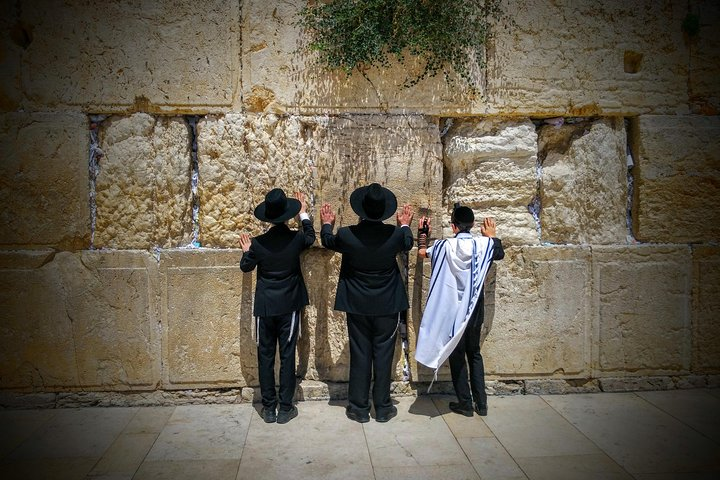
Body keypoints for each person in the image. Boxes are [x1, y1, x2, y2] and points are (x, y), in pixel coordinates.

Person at [320, 183, 414, 423]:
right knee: (383, 355)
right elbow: (408, 242)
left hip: (358, 304)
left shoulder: (347, 235)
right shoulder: (394, 235)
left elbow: (328, 241)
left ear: (361, 211)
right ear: (384, 212)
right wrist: (404, 223)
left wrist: (327, 223)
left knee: (360, 353)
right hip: (387, 305)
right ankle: (383, 407)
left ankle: (359, 409)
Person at [415, 205, 504, 417]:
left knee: (457, 354)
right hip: (475, 309)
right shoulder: (484, 245)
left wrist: (423, 234)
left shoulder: (445, 245)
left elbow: (421, 253)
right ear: (473, 225)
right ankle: (481, 405)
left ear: (453, 226)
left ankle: (465, 403)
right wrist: (492, 236)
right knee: (474, 353)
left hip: (453, 311)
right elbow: (498, 253)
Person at [240, 189, 315, 424]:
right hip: (289, 305)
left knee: (265, 355)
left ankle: (268, 408)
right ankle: (285, 408)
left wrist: (246, 251)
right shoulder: (296, 239)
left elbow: (246, 267)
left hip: (265, 307)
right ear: (287, 214)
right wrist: (303, 214)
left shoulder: (258, 244)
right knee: (287, 354)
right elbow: (311, 236)